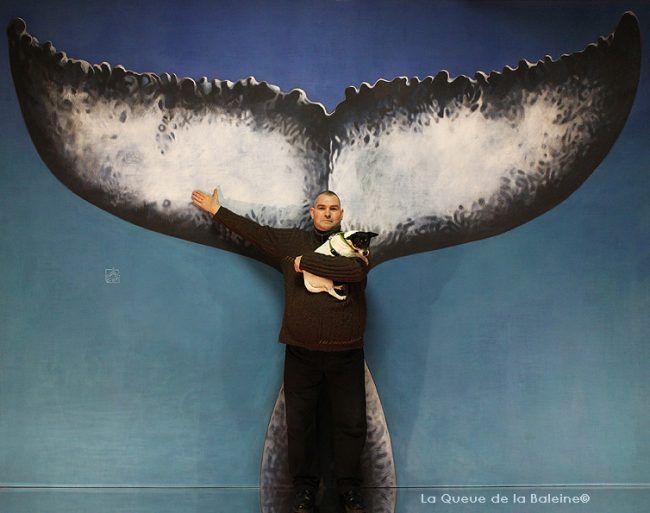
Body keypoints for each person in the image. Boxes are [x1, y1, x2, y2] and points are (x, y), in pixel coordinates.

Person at [191, 188, 369, 513]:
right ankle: (304, 490)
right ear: (312, 213)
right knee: (299, 425)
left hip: (346, 355)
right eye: (321, 208)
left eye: (333, 208)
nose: (327, 213)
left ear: (341, 214)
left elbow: (354, 272)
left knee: (352, 425)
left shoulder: (355, 243)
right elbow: (256, 233)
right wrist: (218, 210)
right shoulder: (291, 242)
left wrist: (304, 262)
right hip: (301, 354)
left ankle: (350, 490)